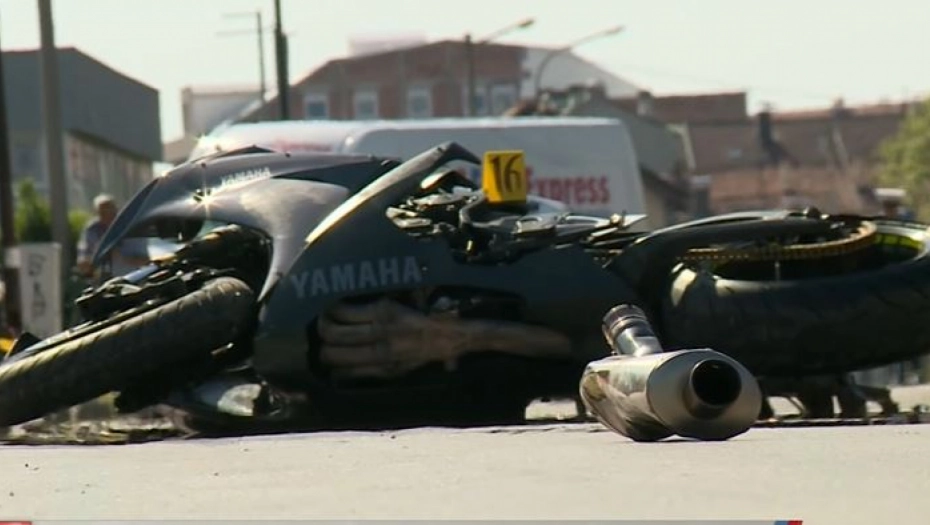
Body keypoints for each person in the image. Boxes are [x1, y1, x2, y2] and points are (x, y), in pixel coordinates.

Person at [75, 194, 149, 281]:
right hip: (101, 280)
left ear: (117, 210)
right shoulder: (92, 229)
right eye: (102, 213)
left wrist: (121, 258)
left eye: (110, 211)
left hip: (129, 278)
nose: (107, 216)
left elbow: (145, 260)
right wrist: (86, 262)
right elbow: (83, 254)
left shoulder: (131, 228)